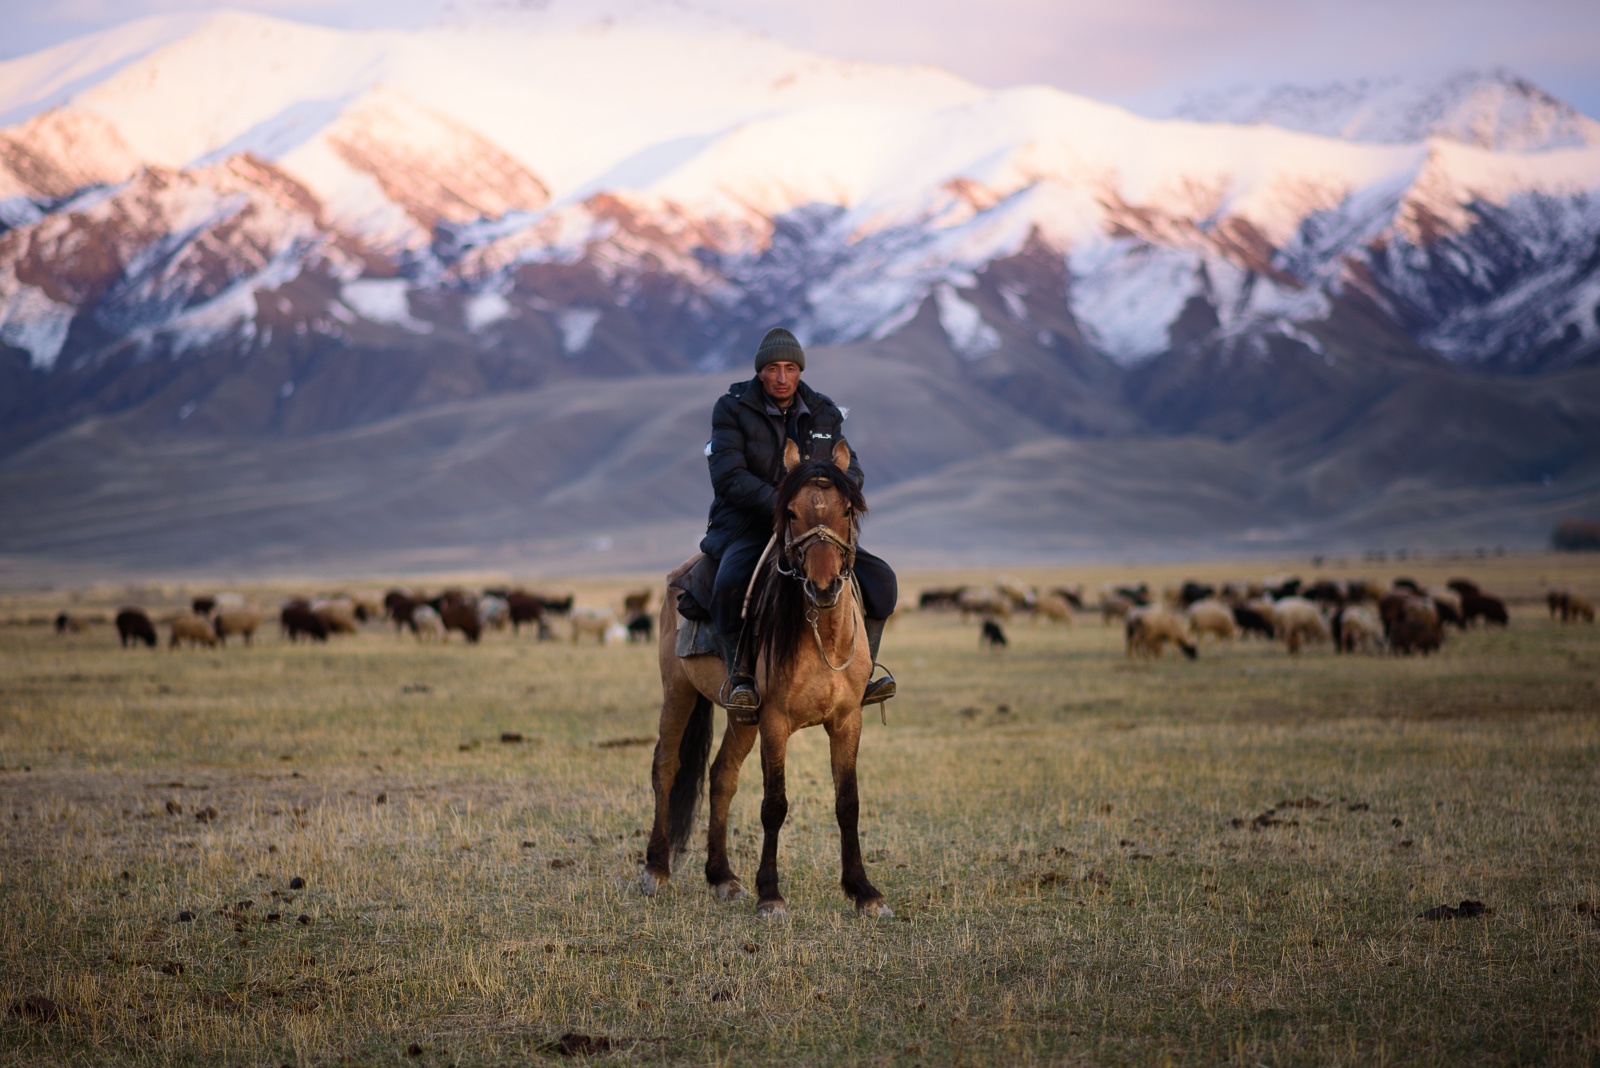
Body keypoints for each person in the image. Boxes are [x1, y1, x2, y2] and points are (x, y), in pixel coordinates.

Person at [700, 327, 897, 723]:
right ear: (760, 372)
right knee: (728, 583)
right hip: (750, 523)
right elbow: (728, 475)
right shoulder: (732, 408)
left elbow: (850, 466)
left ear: (800, 371)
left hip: (814, 528)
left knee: (883, 583)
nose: (781, 377)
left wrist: (829, 499)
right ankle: (741, 678)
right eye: (773, 369)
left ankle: (863, 673)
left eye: (790, 368)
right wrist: (785, 504)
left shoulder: (823, 410)